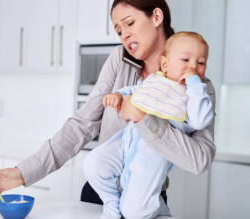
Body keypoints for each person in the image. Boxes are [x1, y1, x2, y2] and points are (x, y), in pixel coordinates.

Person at [0, 0, 216, 211]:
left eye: (130, 23)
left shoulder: (198, 88)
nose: (124, 34)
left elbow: (200, 159)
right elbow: (82, 125)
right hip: (100, 194)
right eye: (118, 30)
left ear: (156, 17)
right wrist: (23, 172)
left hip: (146, 199)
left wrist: (142, 118)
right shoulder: (119, 60)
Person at [83, 31, 213, 219]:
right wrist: (119, 94)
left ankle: (160, 212)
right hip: (127, 138)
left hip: (154, 151)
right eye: (185, 59)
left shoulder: (194, 95)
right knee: (93, 164)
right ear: (165, 64)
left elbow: (200, 120)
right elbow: (135, 91)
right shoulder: (155, 80)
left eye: (201, 63)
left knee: (134, 212)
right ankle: (111, 205)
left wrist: (194, 84)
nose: (193, 66)